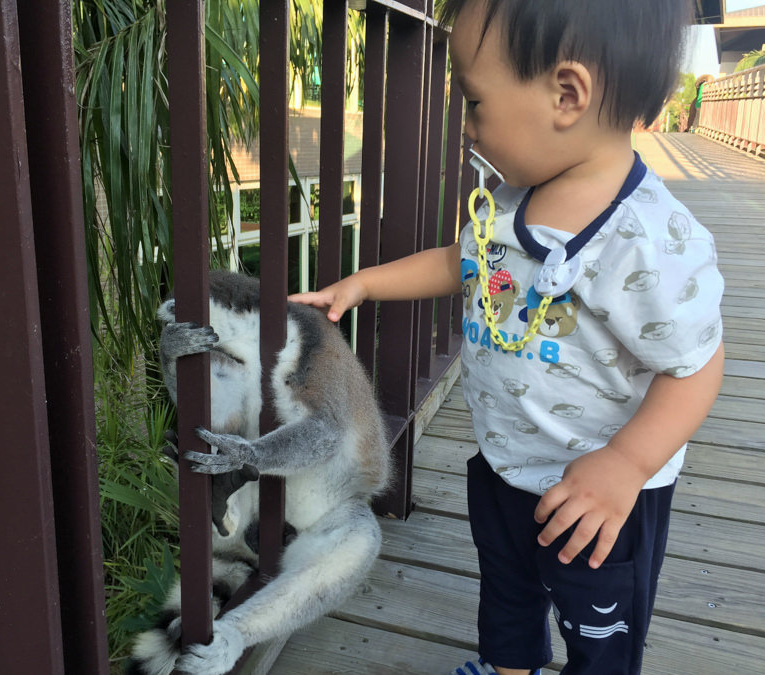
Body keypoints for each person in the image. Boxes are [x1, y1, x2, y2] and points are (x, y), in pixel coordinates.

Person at [289, 1, 725, 673]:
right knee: (509, 595)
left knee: (598, 626)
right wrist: (367, 283)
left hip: (601, 496)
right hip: (506, 464)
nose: (464, 128)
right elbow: (459, 262)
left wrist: (628, 465)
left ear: (566, 95)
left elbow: (696, 365)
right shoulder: (511, 204)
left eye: (473, 102)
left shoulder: (649, 241)